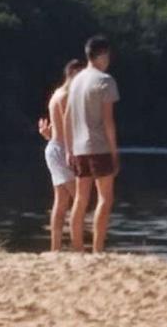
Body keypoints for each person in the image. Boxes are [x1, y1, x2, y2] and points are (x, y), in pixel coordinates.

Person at [64, 36, 120, 253]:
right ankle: (97, 249)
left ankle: (77, 248)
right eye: (108, 56)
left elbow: (68, 116)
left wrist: (69, 148)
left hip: (78, 147)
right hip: (99, 147)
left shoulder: (75, 81)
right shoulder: (105, 80)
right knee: (105, 198)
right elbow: (108, 120)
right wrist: (114, 151)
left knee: (80, 198)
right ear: (102, 55)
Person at [38, 59, 83, 251]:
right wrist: (73, 151)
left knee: (62, 200)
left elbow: (58, 129)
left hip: (54, 147)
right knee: (80, 199)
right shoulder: (66, 96)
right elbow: (67, 125)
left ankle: (55, 247)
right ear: (72, 73)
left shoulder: (57, 94)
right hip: (62, 150)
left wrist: (49, 135)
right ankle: (77, 246)